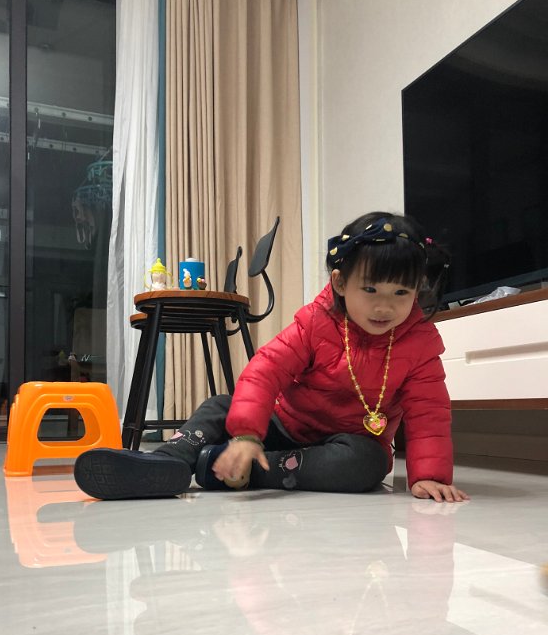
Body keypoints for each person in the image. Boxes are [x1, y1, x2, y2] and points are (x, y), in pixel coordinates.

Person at [74, 212, 469, 503]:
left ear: (417, 290)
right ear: (340, 283)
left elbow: (429, 413)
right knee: (220, 406)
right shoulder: (315, 322)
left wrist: (429, 476)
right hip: (284, 423)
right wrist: (248, 434)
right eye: (371, 290)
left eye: (401, 293)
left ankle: (248, 471)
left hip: (347, 444)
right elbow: (265, 370)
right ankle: (167, 461)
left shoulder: (419, 344)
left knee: (368, 465)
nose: (385, 306)